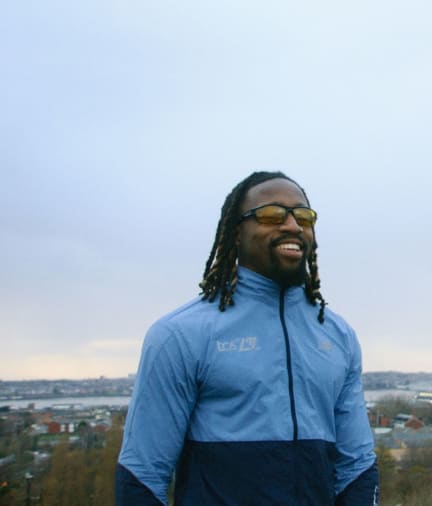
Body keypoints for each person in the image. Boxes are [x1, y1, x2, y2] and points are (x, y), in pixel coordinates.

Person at [116, 171, 378, 505]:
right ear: (236, 232)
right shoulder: (180, 335)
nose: (293, 226)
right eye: (272, 215)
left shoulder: (339, 336)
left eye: (303, 217)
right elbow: (142, 476)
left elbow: (357, 466)